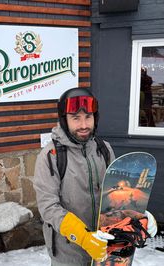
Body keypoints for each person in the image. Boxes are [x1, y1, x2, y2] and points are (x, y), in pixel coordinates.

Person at [33, 87, 157, 266]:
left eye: (88, 117)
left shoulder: (104, 149)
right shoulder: (51, 156)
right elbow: (48, 207)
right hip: (69, 254)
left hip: (107, 251)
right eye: (76, 118)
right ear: (64, 120)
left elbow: (116, 197)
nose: (83, 125)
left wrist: (139, 215)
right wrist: (84, 237)